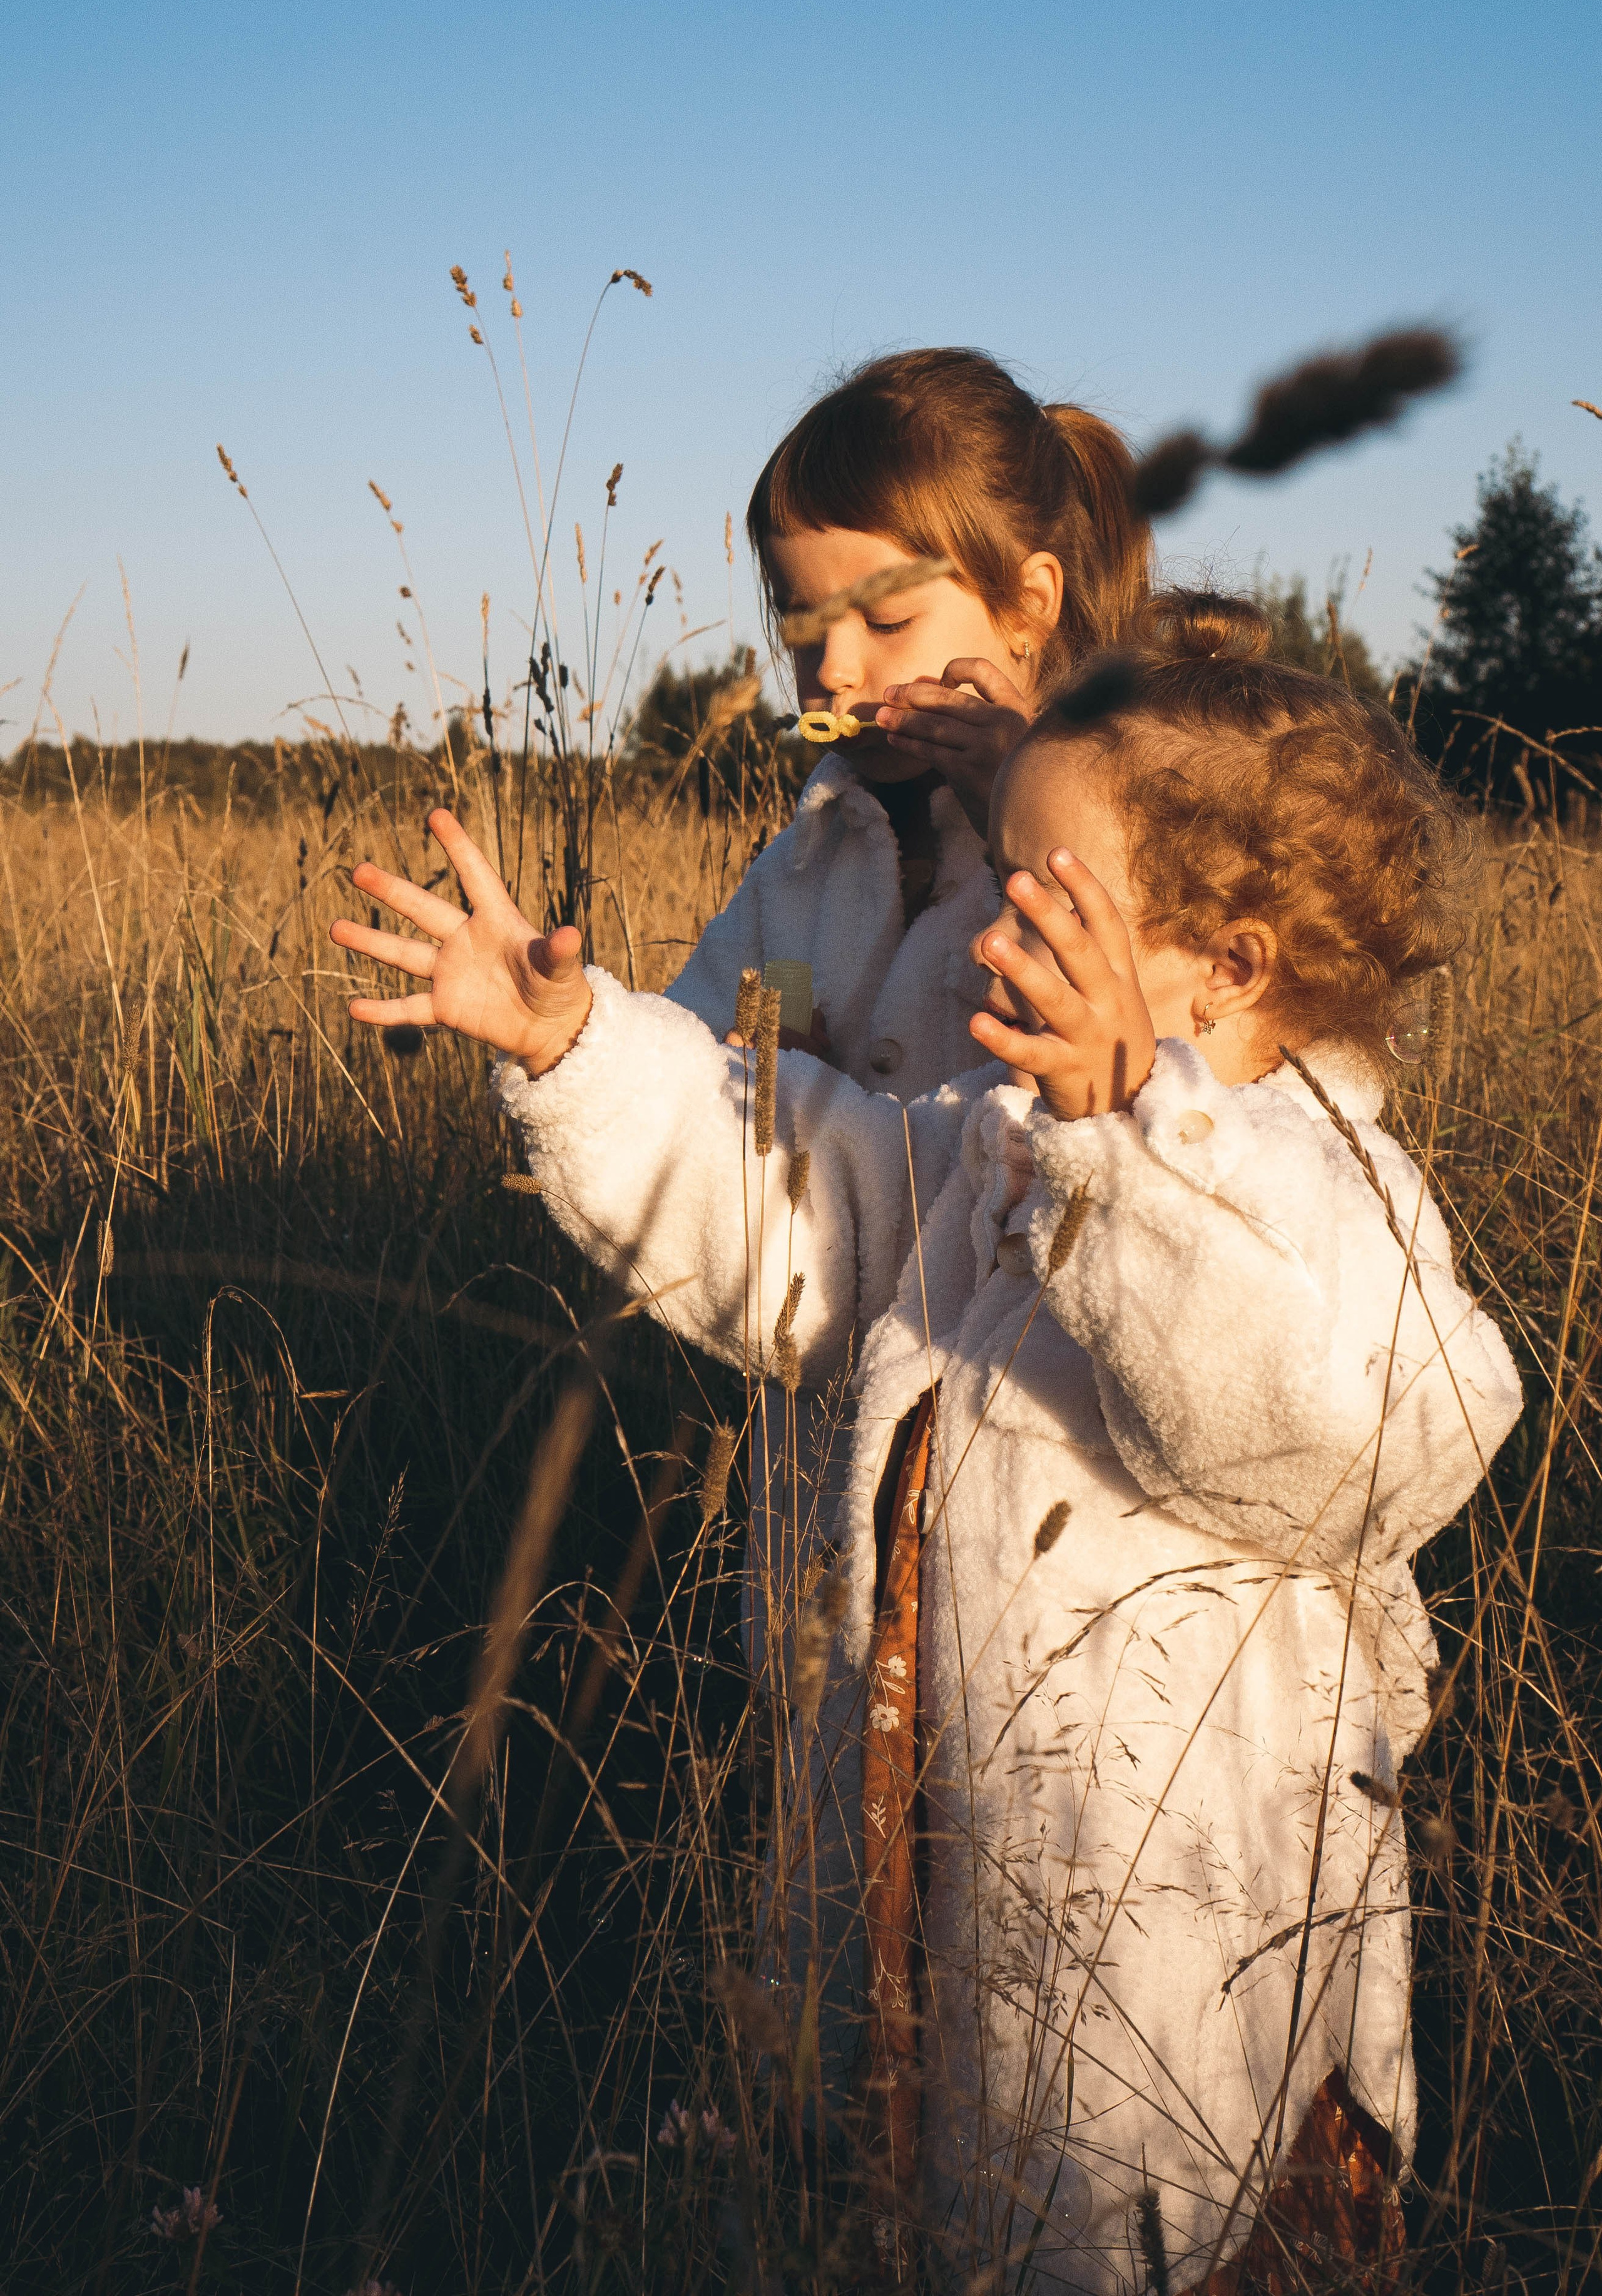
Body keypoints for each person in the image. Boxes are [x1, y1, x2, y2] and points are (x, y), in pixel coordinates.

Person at [330, 593, 1521, 2293]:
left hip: (1170, 1920)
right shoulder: (995, 1147)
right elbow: (799, 1204)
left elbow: (1359, 1434)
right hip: (938, 1840)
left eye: (1040, 899)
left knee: (1128, 2220)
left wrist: (1138, 1149)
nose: (981, 942)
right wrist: (576, 1049)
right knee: (930, 2186)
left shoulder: (1312, 1187)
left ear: (1235, 962)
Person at [665, 346, 1152, 1100]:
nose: (833, 670)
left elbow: (1150, 1044)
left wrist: (1017, 808)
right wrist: (740, 1073)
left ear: (1028, 606)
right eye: (804, 625)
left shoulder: (1137, 819)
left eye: (888, 622)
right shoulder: (799, 876)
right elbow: (687, 1071)